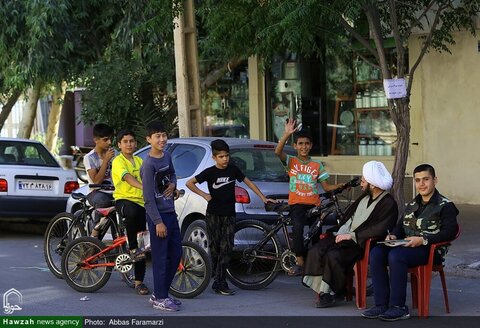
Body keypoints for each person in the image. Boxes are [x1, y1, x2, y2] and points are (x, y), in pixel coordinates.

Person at [362, 164, 459, 321]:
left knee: (396, 256)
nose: (421, 184)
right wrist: (393, 235)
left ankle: (398, 307)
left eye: (426, 179)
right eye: (418, 180)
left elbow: (450, 232)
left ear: (435, 180)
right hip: (407, 247)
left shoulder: (445, 205)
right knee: (377, 253)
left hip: (430, 251)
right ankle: (381, 304)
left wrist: (423, 240)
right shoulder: (412, 204)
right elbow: (400, 226)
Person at [303, 161, 398, 308]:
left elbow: (380, 228)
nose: (361, 183)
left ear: (372, 184)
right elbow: (349, 218)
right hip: (344, 236)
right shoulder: (364, 197)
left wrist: (352, 236)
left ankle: (336, 293)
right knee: (316, 250)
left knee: (333, 256)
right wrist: (340, 233)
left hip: (361, 243)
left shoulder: (388, 203)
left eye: (363, 180)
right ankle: (324, 291)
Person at [186, 139, 275, 296]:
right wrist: (204, 194)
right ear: (214, 158)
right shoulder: (210, 172)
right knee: (215, 248)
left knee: (227, 247)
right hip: (213, 214)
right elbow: (189, 183)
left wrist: (263, 198)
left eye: (226, 156)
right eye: (221, 156)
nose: (225, 159)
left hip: (229, 214)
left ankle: (221, 282)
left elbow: (249, 183)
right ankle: (217, 279)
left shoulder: (233, 170)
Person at [275, 118, 342, 276]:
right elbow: (277, 152)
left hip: (314, 205)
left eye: (306, 143)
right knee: (298, 229)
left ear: (311, 146)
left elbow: (326, 187)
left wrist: (341, 186)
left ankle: (314, 263)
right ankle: (299, 263)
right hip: (297, 204)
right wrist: (286, 134)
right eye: (300, 144)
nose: (303, 147)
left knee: (316, 234)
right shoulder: (291, 161)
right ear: (295, 146)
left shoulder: (317, 165)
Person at [140, 121, 182, 312]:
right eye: (157, 136)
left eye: (164, 135)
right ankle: (160, 298)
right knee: (161, 257)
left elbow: (173, 175)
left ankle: (161, 293)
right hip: (158, 218)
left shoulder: (167, 156)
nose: (162, 139)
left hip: (170, 213)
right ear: (149, 139)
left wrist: (173, 185)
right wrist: (158, 223)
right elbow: (148, 198)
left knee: (176, 254)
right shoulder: (148, 165)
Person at [111, 130, 149, 295]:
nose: (129, 144)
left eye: (132, 141)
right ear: (119, 144)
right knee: (132, 214)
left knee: (143, 243)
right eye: (125, 141)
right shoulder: (118, 161)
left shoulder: (140, 160)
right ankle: (131, 247)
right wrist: (142, 187)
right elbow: (127, 178)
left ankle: (139, 282)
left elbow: (150, 177)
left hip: (143, 203)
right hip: (124, 201)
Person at [83, 123, 116, 209]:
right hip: (96, 192)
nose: (110, 142)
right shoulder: (89, 157)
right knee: (103, 201)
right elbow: (96, 182)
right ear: (96, 140)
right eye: (106, 140)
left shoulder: (115, 154)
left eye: (111, 139)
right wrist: (105, 161)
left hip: (114, 191)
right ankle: (97, 221)